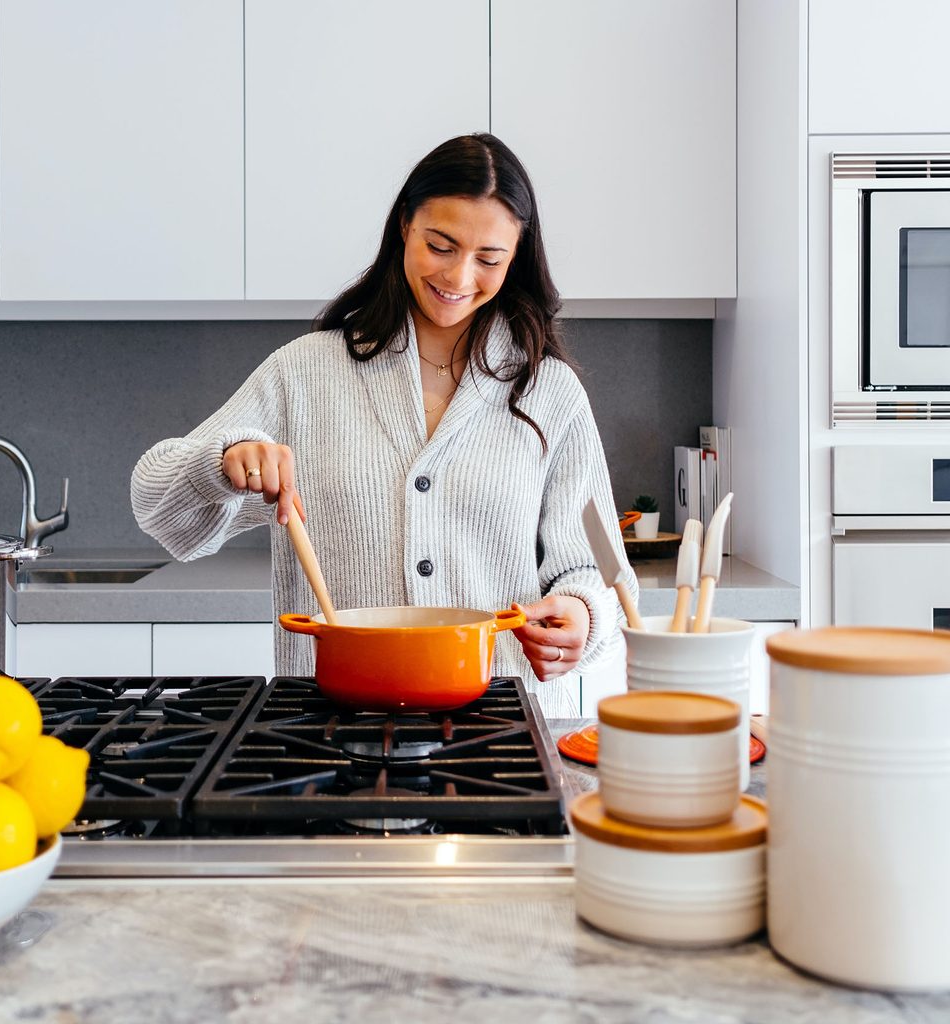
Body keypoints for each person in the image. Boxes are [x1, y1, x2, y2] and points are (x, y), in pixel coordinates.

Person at [131, 133, 637, 717]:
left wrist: (579, 615)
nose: (460, 275)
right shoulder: (308, 372)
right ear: (404, 226)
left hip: (498, 731)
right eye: (440, 245)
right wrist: (222, 463)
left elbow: (598, 572)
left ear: (517, 256)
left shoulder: (549, 392)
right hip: (326, 731)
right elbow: (157, 507)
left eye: (489, 258)